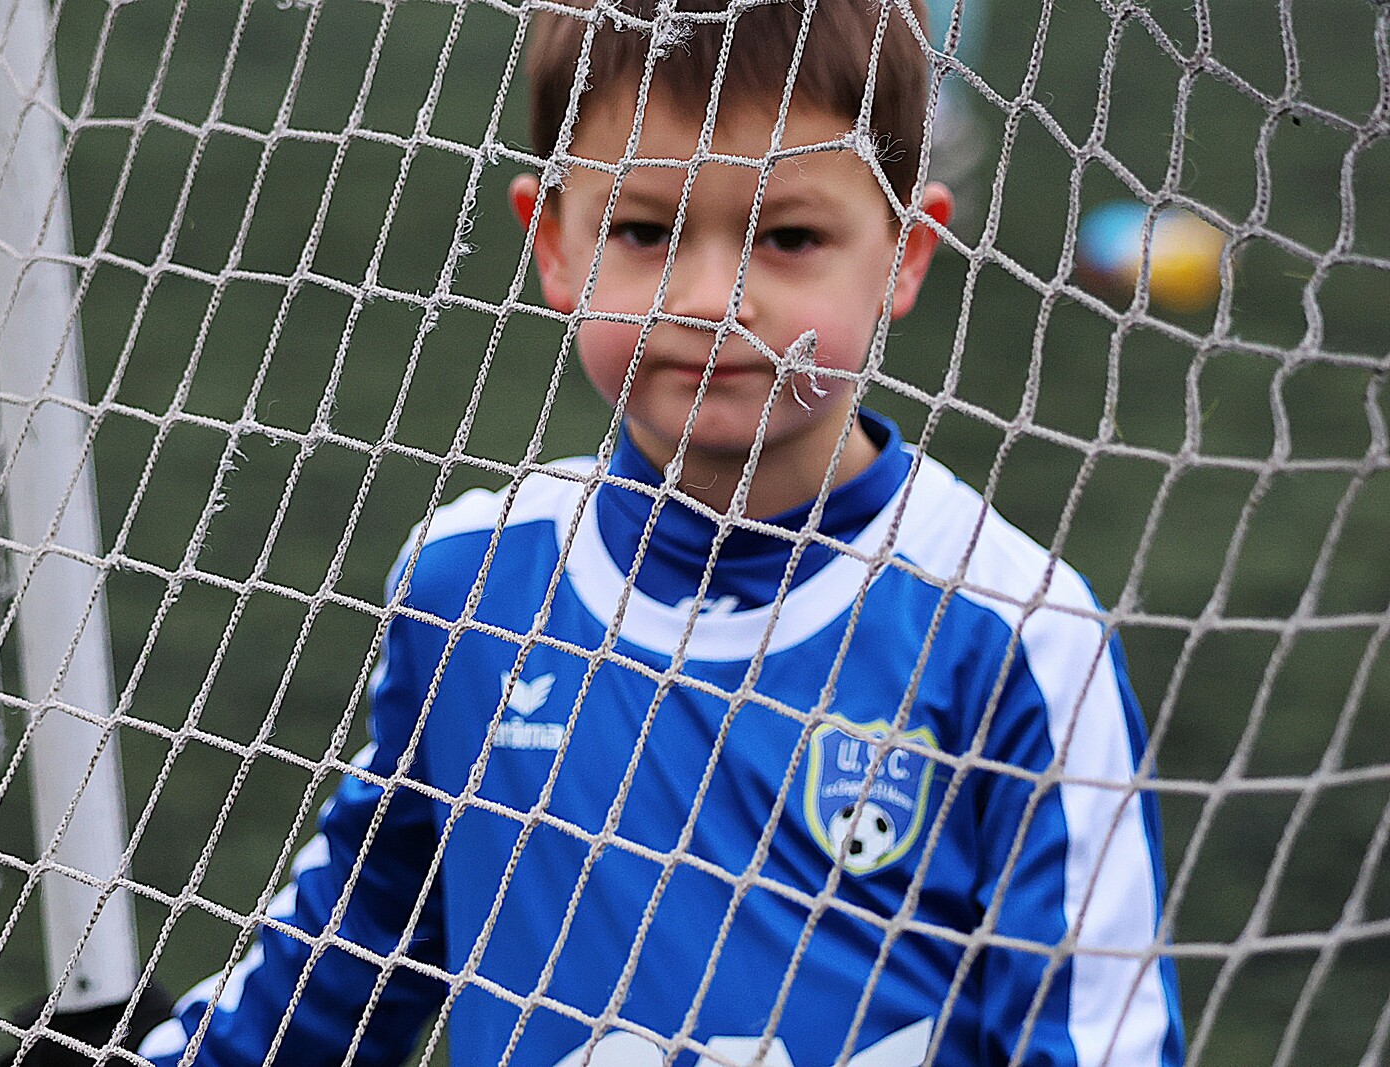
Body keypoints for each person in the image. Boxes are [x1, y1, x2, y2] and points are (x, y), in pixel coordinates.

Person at [131, 0, 1185, 1063]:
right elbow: (337, 974)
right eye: (644, 231)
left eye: (788, 237)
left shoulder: (1011, 630)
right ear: (553, 244)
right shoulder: (472, 585)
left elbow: (1096, 1039)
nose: (712, 299)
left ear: (904, 254)